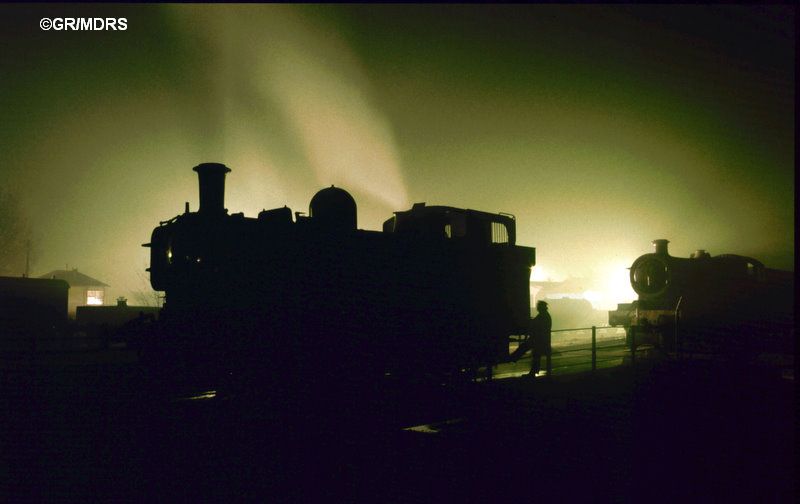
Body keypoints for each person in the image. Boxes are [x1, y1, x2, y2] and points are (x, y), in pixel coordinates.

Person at [528, 300, 552, 377]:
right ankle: (534, 372)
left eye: (538, 306)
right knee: (536, 356)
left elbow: (536, 323)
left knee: (536, 355)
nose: (537, 308)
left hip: (540, 340)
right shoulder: (545, 315)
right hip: (543, 340)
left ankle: (533, 372)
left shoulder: (542, 315)